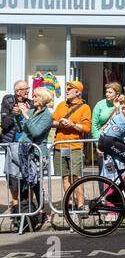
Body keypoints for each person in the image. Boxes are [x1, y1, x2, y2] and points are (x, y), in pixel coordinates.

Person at [52, 81, 92, 213]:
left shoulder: (84, 107)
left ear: (78, 92)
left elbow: (87, 128)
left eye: (70, 89)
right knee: (65, 176)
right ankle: (70, 203)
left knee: (76, 176)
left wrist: (72, 124)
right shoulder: (60, 105)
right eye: (67, 89)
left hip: (75, 146)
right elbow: (51, 122)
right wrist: (61, 123)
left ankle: (81, 204)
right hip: (60, 146)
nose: (67, 91)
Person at [18, 87, 53, 222]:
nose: (34, 98)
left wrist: (27, 116)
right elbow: (24, 129)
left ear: (43, 98)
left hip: (38, 152)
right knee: (26, 182)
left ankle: (41, 210)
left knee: (36, 183)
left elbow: (36, 132)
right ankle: (28, 211)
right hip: (25, 151)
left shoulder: (48, 116)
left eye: (37, 96)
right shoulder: (32, 111)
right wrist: (21, 115)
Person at [1, 80, 34, 210]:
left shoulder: (31, 103)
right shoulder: (8, 102)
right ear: (17, 91)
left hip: (28, 145)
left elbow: (33, 123)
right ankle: (15, 206)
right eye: (26, 88)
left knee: (27, 176)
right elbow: (4, 124)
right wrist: (13, 115)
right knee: (13, 177)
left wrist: (26, 112)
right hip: (12, 144)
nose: (28, 90)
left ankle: (26, 206)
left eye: (28, 88)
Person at [91, 82, 122, 194]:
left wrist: (118, 107)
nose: (107, 94)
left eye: (110, 92)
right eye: (106, 92)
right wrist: (97, 144)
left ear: (117, 93)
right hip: (102, 142)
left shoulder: (120, 105)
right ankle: (103, 196)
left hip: (116, 142)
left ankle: (117, 196)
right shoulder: (100, 104)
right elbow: (94, 125)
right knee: (103, 172)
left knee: (117, 171)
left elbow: (121, 122)